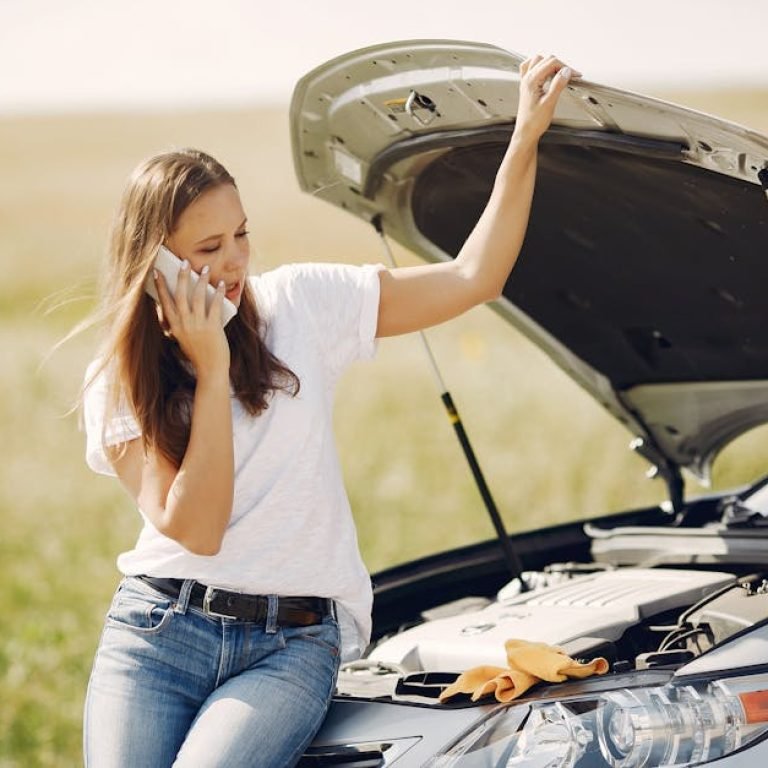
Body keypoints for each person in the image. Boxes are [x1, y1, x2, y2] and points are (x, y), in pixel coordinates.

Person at [81, 54, 576, 767]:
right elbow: (198, 527)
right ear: (154, 265)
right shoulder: (118, 378)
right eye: (208, 248)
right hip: (158, 631)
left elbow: (474, 277)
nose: (235, 261)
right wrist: (211, 369)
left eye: (241, 235)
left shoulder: (301, 305)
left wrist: (524, 137)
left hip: (290, 646)